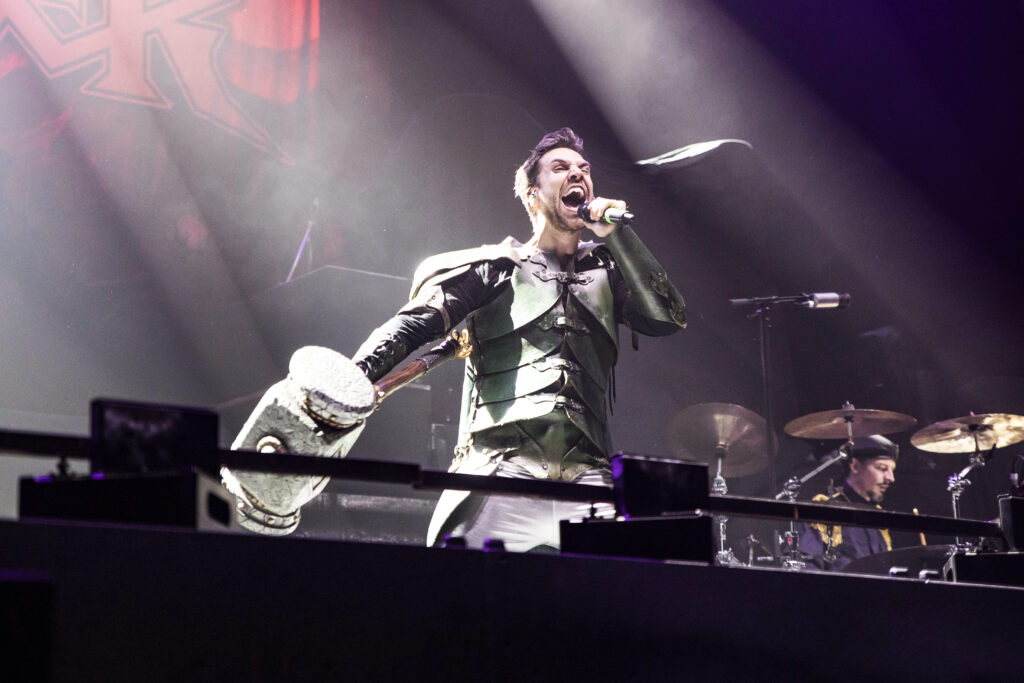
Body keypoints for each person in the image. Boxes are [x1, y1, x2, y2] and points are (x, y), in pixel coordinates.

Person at [350, 127, 687, 551]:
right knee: (474, 609)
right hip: (501, 474)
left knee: (606, 610)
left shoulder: (610, 272)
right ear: (531, 194)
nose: (577, 175)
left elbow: (669, 318)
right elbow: (413, 325)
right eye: (561, 168)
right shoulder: (496, 266)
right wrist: (349, 379)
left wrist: (617, 234)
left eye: (583, 169)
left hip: (590, 482)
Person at [797, 435, 897, 570]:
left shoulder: (878, 518)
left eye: (892, 470)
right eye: (882, 468)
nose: (891, 478)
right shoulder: (825, 510)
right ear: (855, 465)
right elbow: (807, 567)